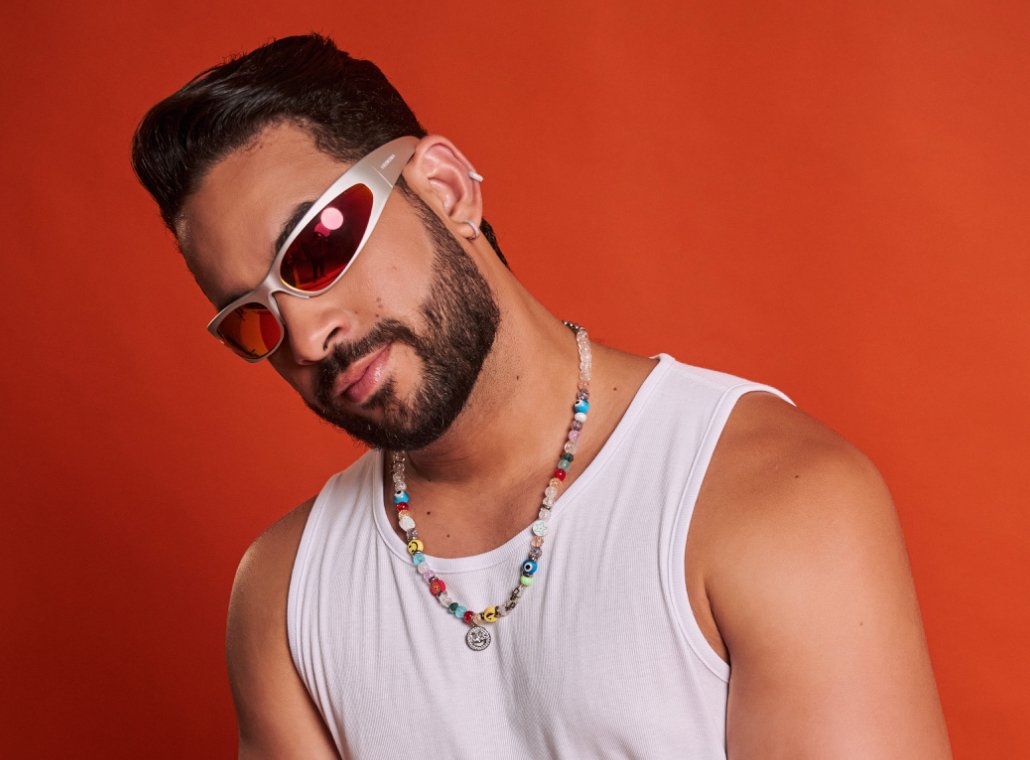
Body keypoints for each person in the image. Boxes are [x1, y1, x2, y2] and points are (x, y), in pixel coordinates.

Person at [131, 34, 951, 759]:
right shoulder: (284, 595)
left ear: (446, 189)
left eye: (317, 250)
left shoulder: (770, 499)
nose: (308, 337)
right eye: (255, 320)